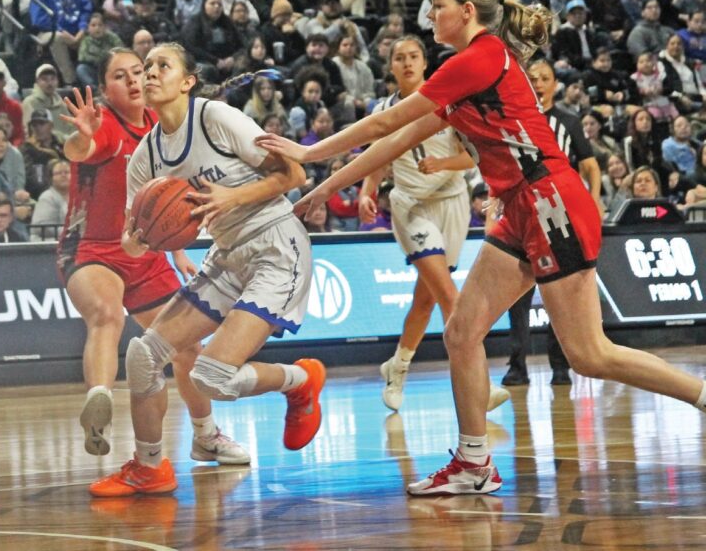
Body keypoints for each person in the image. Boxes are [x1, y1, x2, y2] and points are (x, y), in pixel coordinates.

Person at [257, 0, 706, 496]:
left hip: (549, 202)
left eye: (438, 4)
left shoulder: (481, 56)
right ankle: (474, 463)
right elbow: (396, 141)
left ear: (466, 12)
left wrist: (308, 152)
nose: (430, 14)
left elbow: (383, 122)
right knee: (461, 331)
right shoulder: (465, 68)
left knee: (589, 354)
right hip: (522, 205)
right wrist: (321, 187)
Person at [89, 43, 325, 497]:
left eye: (162, 66)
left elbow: (294, 175)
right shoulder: (146, 157)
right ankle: (150, 467)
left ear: (187, 81)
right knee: (143, 354)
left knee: (210, 378)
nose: (150, 75)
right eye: (145, 68)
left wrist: (229, 198)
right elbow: (129, 242)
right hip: (227, 255)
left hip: (276, 245)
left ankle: (301, 380)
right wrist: (139, 241)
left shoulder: (216, 118)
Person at [58, 47, 249, 465]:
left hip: (144, 251)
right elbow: (77, 151)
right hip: (93, 249)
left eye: (138, 71)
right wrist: (82, 136)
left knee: (187, 348)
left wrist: (177, 249)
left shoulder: (160, 131)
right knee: (107, 316)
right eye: (120, 75)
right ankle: (99, 403)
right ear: (105, 90)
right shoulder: (105, 124)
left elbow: (164, 201)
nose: (132, 80)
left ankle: (206, 435)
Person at [362, 35, 510, 413]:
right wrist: (368, 188)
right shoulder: (382, 109)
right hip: (411, 205)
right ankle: (480, 383)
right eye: (399, 58)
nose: (407, 63)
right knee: (448, 295)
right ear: (391, 67)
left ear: (425, 63)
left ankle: (397, 367)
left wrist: (443, 164)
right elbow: (377, 157)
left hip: (452, 202)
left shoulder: (449, 101)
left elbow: (472, 155)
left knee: (426, 298)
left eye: (413, 56)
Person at [500, 59, 604, 387]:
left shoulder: (569, 122)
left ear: (556, 84)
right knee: (516, 293)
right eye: (533, 78)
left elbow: (591, 167)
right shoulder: (514, 119)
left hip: (559, 212)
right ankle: (517, 364)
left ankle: (560, 364)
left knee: (558, 290)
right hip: (520, 210)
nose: (539, 83)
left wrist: (595, 200)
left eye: (545, 78)